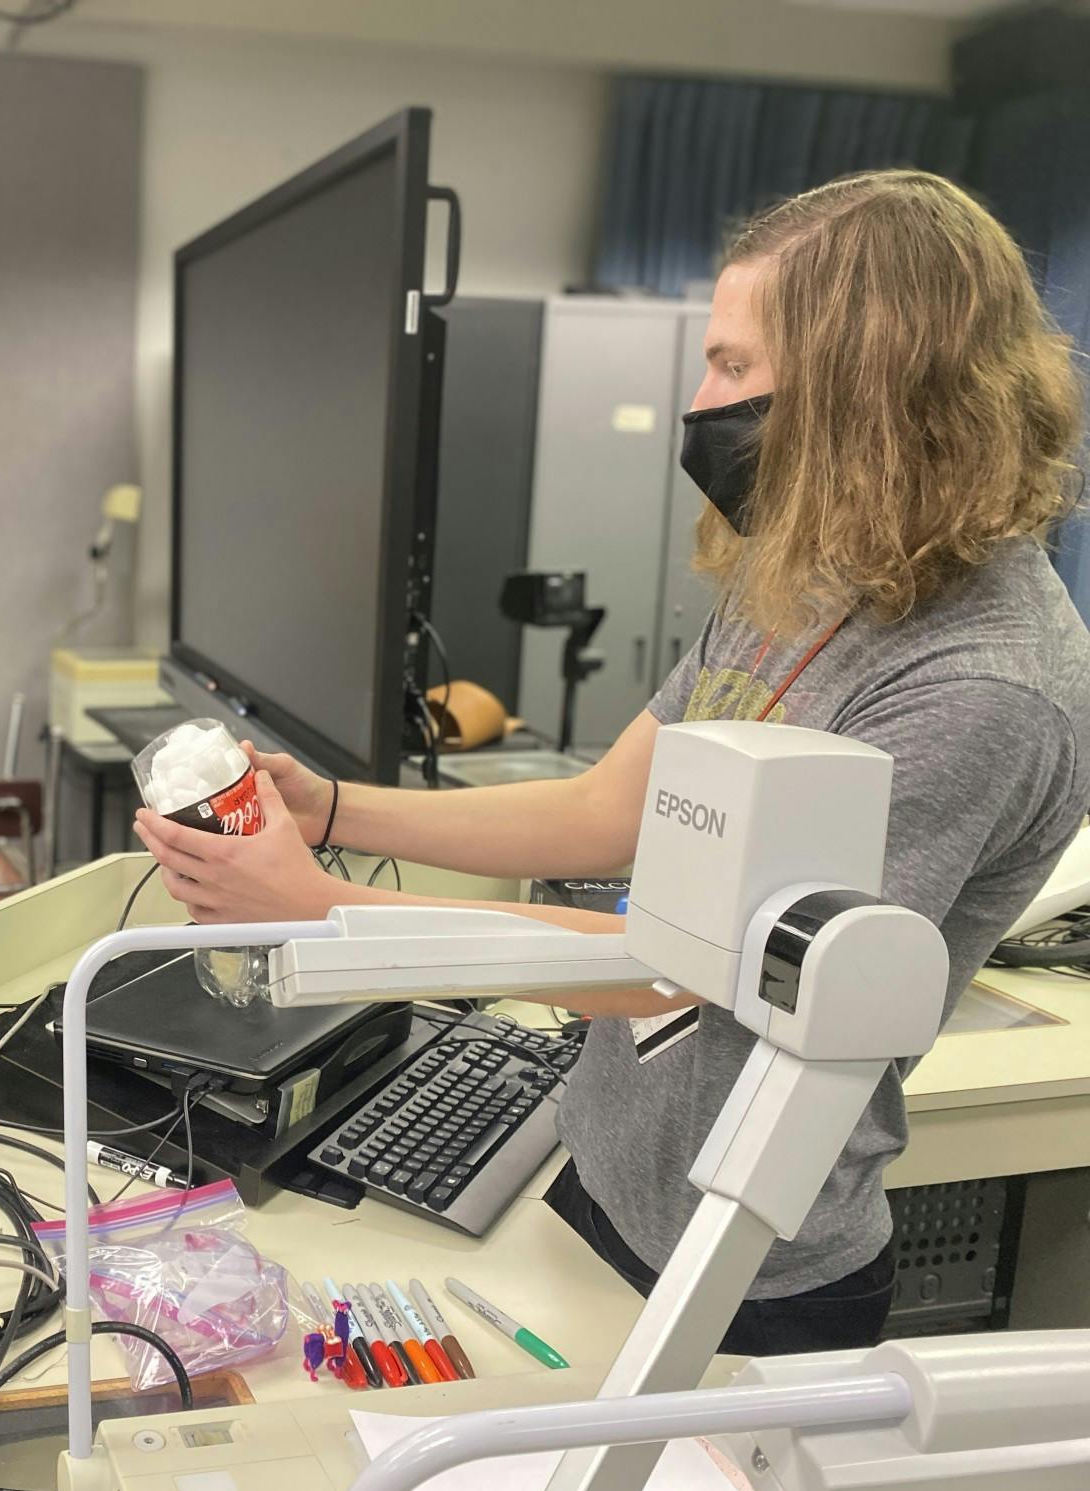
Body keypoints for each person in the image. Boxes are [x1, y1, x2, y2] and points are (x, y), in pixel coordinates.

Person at [135, 170, 1090, 1356]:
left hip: (745, 1269)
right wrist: (330, 809)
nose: (702, 402)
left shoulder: (978, 682)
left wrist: (321, 916)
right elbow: (607, 809)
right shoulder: (810, 572)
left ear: (869, 387)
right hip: (605, 1176)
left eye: (735, 369)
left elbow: (686, 974)